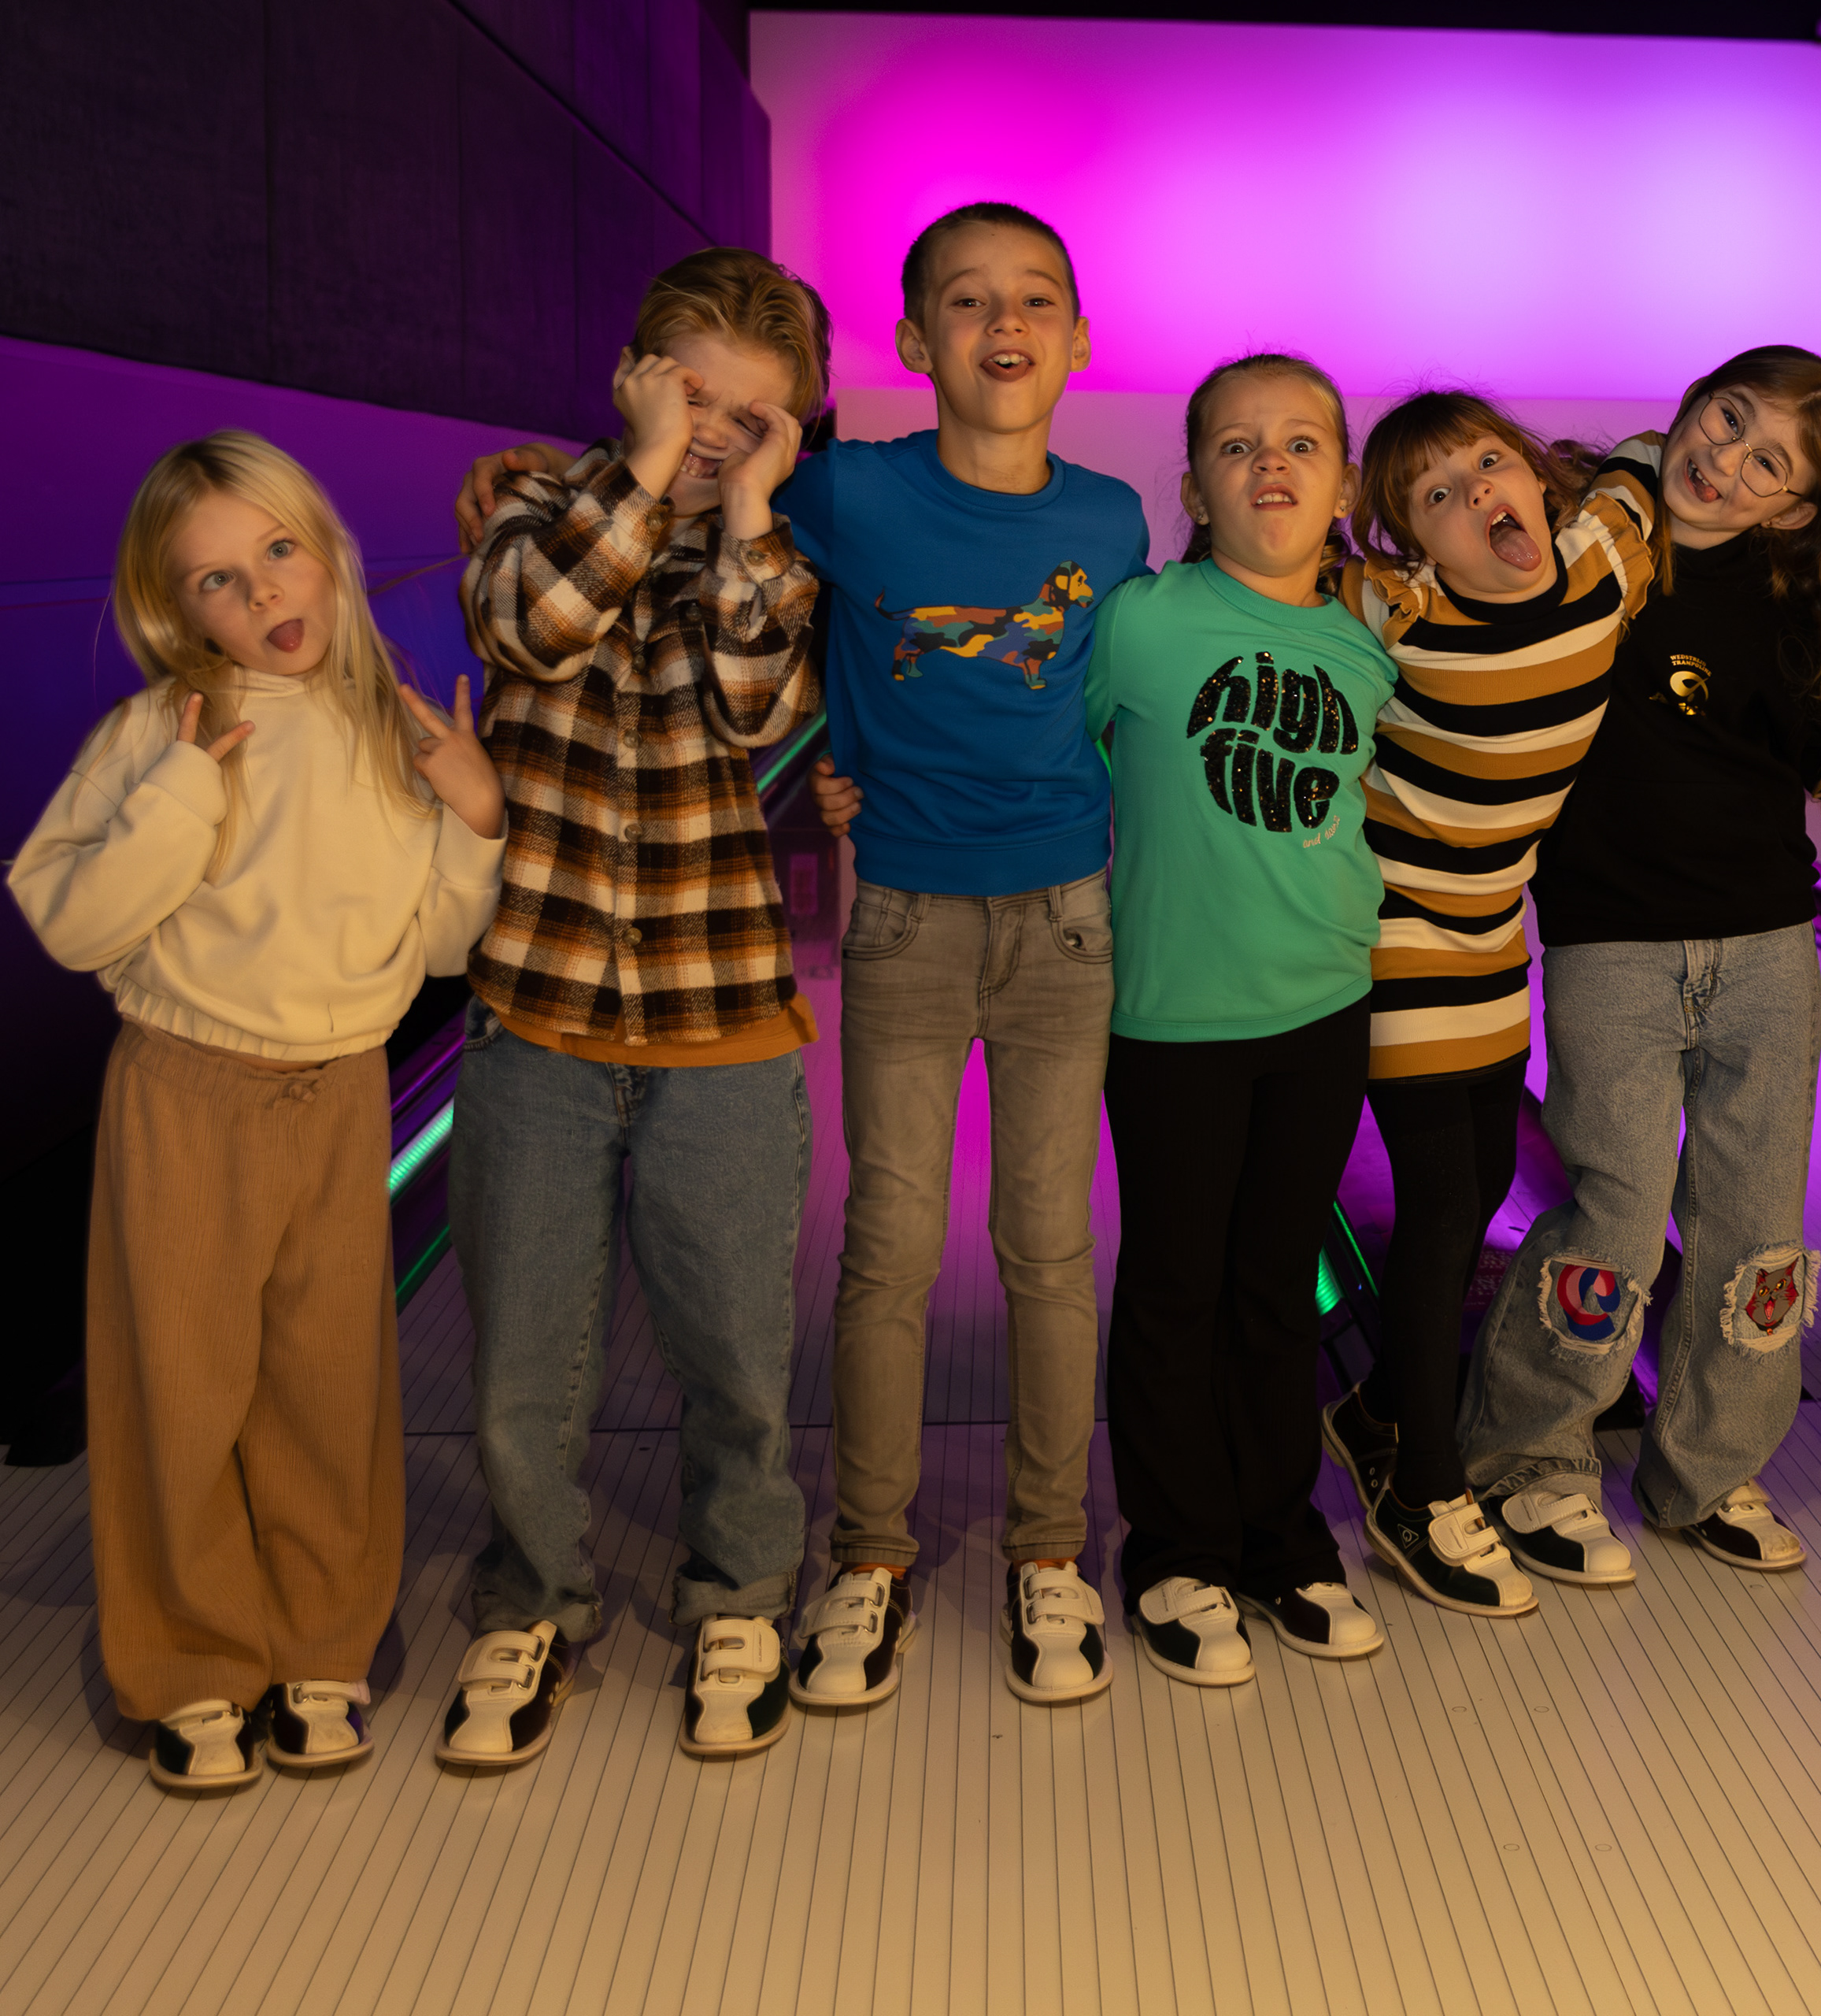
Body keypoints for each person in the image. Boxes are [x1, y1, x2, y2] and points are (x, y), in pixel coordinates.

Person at [467, 204, 1151, 1713]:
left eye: (1035, 298)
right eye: (966, 301)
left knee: (1047, 1250)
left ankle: (1045, 1544)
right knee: (884, 1248)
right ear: (913, 345)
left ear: (1079, 340)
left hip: (1058, 917)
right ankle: (866, 1552)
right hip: (892, 915)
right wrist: (639, 473)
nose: (1004, 324)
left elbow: (1074, 692)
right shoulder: (817, 491)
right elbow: (623, 629)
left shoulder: (1106, 523)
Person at [12, 432, 505, 1789]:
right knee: (179, 1387)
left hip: (338, 1090)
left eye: (280, 549)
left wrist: (472, 818)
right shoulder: (153, 735)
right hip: (187, 1086)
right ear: (180, 613)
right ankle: (191, 1665)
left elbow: (443, 946)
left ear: (329, 550)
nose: (264, 590)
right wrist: (183, 791)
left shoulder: (394, 729)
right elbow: (72, 919)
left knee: (327, 1387)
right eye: (217, 580)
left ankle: (320, 1649)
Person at [435, 248, 824, 1766]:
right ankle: (533, 1598)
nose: (716, 430)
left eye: (753, 415)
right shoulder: (531, 514)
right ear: (633, 377)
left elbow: (756, 702)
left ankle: (742, 1592)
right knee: (524, 1360)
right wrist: (644, 475)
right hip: (537, 1009)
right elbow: (529, 627)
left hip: (721, 1016)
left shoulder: (772, 562)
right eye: (691, 395)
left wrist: (741, 512)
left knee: (733, 1351)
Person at [1457, 346, 1821, 1580]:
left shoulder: (1797, 603)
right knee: (1617, 1214)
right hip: (1612, 947)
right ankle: (1532, 1457)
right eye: (1727, 418)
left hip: (1768, 951)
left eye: (1770, 464)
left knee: (1755, 1227)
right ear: (1692, 402)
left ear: (1797, 506)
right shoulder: (1588, 549)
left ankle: (1711, 1469)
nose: (1728, 461)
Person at [1086, 352, 1404, 1685]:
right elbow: (1042, 753)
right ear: (1195, 489)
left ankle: (1283, 1537)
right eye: (1236, 445)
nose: (1270, 462)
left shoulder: (1371, 646)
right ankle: (1176, 1548)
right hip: (1170, 1019)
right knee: (1176, 1285)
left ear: (1343, 488)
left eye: (1300, 443)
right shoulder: (1141, 623)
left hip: (1323, 1008)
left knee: (1278, 1285)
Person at [1314, 392, 1658, 1617]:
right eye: (1436, 497)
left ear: (1537, 478)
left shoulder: (1602, 559)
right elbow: (1275, 584)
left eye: (1489, 463)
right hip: (1394, 931)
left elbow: (1657, 460)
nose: (1476, 495)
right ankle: (1422, 1489)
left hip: (1494, 933)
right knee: (1445, 1204)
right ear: (1410, 543)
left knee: (1483, 1189)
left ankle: (1376, 1410)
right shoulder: (1393, 612)